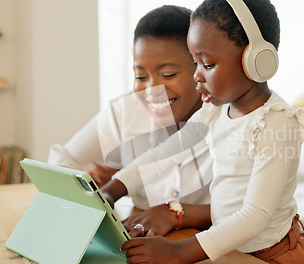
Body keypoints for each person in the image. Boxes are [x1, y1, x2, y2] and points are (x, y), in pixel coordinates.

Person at [101, 0, 304, 263]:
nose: (196, 75)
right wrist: (112, 190)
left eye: (208, 64)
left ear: (255, 60)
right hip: (231, 247)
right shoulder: (216, 110)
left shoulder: (277, 122)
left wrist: (180, 251)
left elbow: (256, 215)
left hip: (272, 255)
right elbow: (164, 155)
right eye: (195, 63)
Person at [47, 5, 214, 238]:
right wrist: (86, 180)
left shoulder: (231, 119)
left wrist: (176, 213)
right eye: (140, 76)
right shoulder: (125, 112)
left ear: (200, 69)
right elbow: (60, 162)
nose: (151, 89)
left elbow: (250, 208)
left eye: (168, 74)